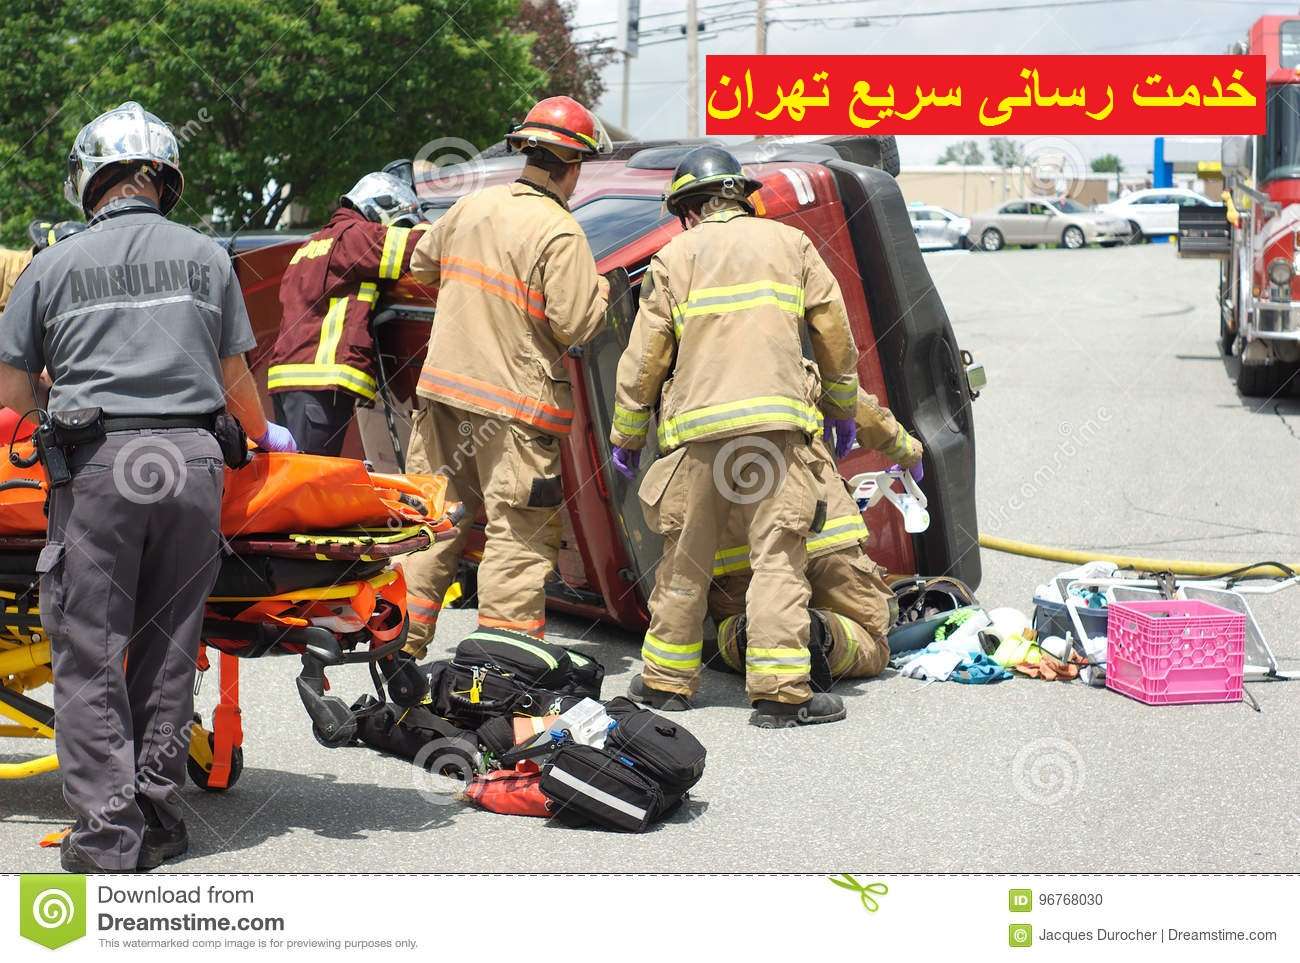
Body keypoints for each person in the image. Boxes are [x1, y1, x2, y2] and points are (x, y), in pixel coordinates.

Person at [0, 101, 296, 873]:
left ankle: (108, 836)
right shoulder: (206, 257)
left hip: (99, 465)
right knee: (167, 647)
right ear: (164, 178)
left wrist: (57, 408)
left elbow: (11, 388)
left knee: (90, 651)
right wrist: (267, 437)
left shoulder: (51, 265)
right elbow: (236, 383)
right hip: (193, 464)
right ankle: (159, 817)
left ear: (89, 179)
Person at [608, 145, 861, 728]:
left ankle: (667, 684)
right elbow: (833, 330)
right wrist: (842, 408)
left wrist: (628, 433)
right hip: (776, 431)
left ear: (690, 209)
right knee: (777, 559)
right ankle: (780, 696)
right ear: (740, 198)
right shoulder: (791, 243)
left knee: (684, 560)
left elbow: (646, 356)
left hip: (698, 434)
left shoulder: (674, 256)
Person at [398, 96, 610, 655]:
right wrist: (600, 291)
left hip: (444, 393)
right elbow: (574, 324)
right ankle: (502, 659)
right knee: (518, 532)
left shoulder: (473, 206)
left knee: (434, 519)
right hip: (514, 410)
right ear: (572, 165)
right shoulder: (560, 232)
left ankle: (400, 641)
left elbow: (420, 265)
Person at [708, 387, 925, 688]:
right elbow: (849, 395)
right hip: (824, 535)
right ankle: (819, 633)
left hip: (738, 557)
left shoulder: (686, 375)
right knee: (873, 644)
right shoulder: (785, 362)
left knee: (728, 631)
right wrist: (908, 451)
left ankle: (751, 633)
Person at [265, 171, 429, 455]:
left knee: (296, 471)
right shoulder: (354, 237)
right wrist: (426, 225)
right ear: (379, 207)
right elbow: (419, 248)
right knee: (312, 475)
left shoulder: (314, 243)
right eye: (398, 223)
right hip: (318, 381)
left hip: (292, 379)